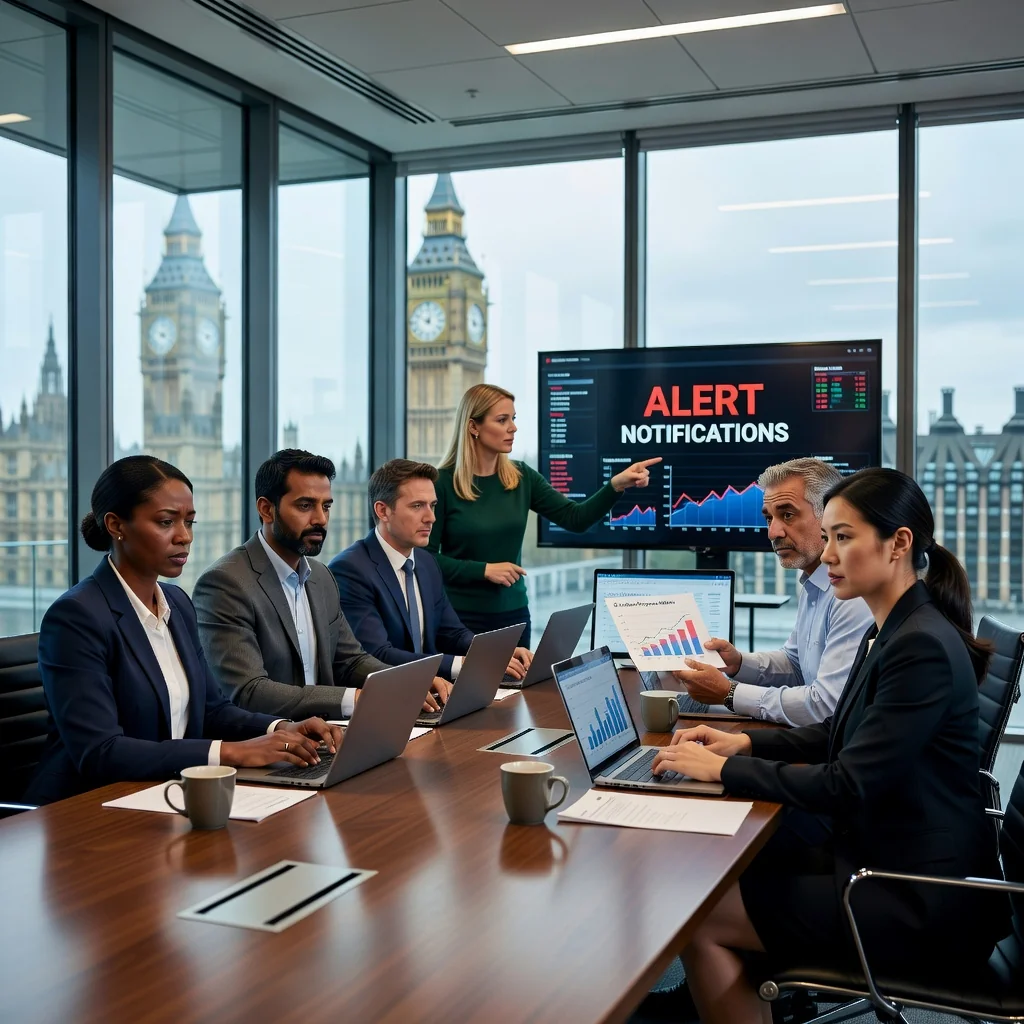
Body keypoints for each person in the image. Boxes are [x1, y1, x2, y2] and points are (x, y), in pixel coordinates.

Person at [651, 467, 1007, 1024]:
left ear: (899, 544)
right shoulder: (892, 628)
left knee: (702, 919)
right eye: (832, 536)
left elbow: (847, 783)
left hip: (917, 896)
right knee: (732, 873)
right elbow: (842, 732)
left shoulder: (920, 646)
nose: (831, 553)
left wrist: (722, 773)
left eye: (844, 537)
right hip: (889, 855)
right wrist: (740, 745)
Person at [25, 456, 339, 806]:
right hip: (86, 809)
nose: (184, 537)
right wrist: (233, 753)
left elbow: (213, 710)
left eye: (189, 522)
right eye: (166, 522)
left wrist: (279, 729)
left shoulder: (177, 603)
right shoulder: (76, 617)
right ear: (116, 525)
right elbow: (101, 752)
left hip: (166, 794)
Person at [193, 450, 443, 721]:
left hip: (328, 736)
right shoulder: (225, 583)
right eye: (305, 506)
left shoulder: (321, 577)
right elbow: (249, 691)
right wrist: (357, 698)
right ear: (266, 509)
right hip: (269, 747)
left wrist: (405, 681)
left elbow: (351, 660)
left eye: (326, 506)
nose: (321, 519)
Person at [427, 383, 659, 646]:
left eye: (513, 419)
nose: (512, 427)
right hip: (458, 620)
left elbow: (576, 518)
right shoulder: (441, 483)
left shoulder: (522, 477)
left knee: (516, 688)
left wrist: (615, 486)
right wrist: (482, 570)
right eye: (502, 420)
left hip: (513, 616)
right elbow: (425, 558)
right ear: (473, 427)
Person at [674, 458, 873, 727]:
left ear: (830, 516)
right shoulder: (815, 582)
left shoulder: (853, 594)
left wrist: (729, 693)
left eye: (787, 515)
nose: (772, 532)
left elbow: (826, 705)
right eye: (769, 517)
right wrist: (738, 663)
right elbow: (796, 664)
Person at [329, 459, 533, 690]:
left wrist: (494, 651)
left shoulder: (426, 562)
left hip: (432, 694)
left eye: (432, 505)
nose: (431, 517)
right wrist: (463, 664)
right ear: (383, 511)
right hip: (386, 697)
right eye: (417, 506)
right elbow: (377, 654)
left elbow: (453, 633)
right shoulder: (350, 570)